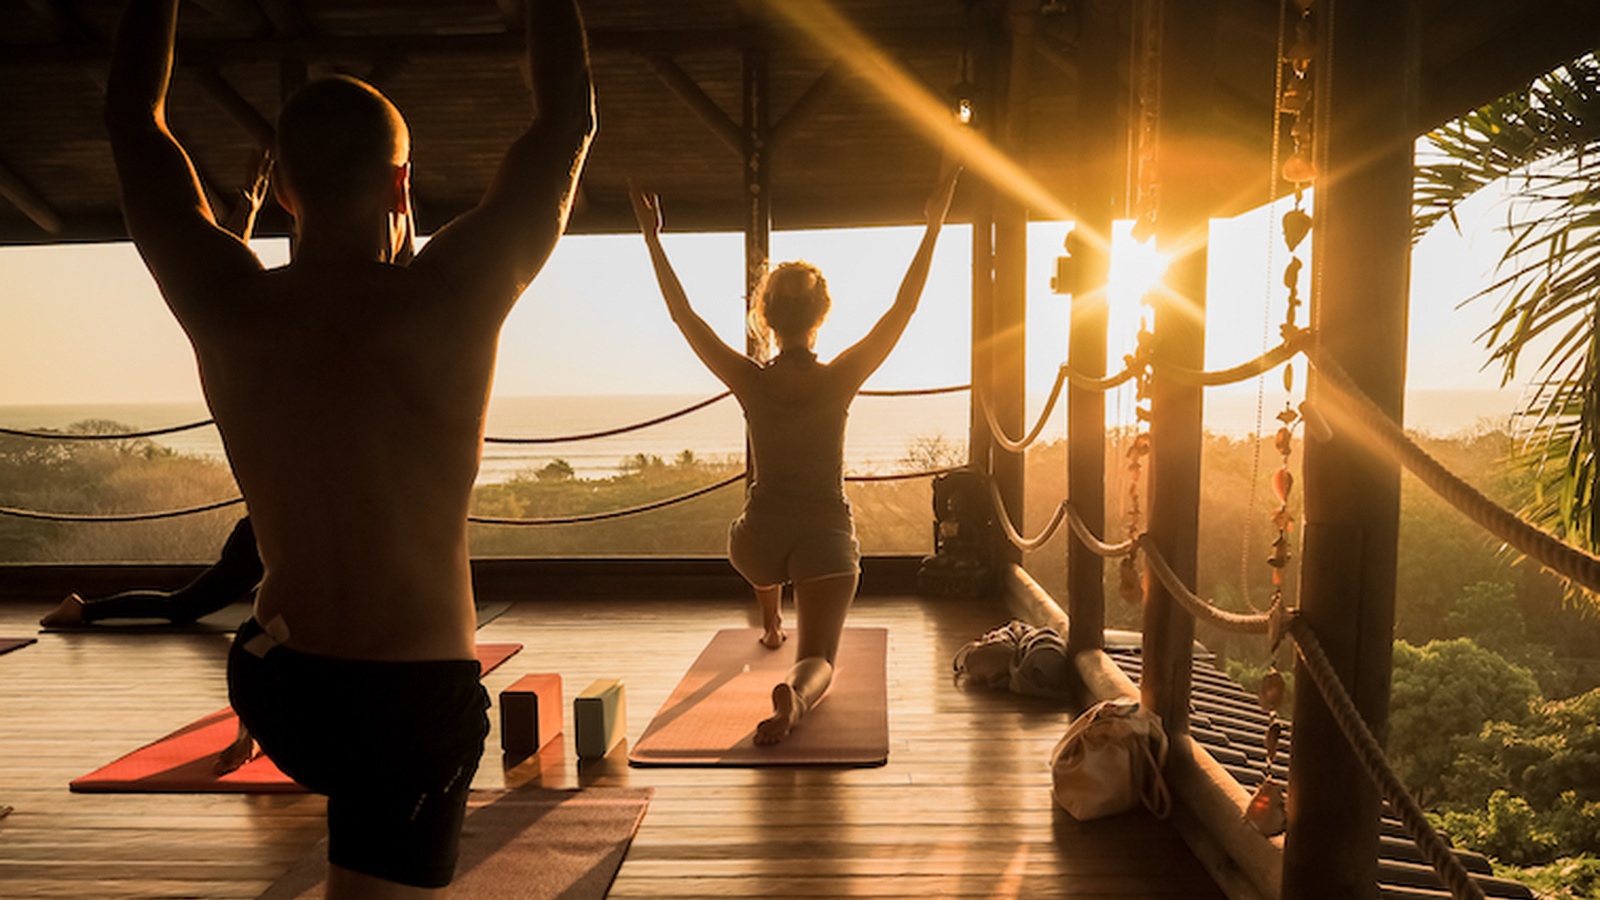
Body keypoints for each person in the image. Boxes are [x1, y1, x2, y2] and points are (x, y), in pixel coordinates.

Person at [104, 0, 594, 894]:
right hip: (408, 707)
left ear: (283, 188)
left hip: (277, 686)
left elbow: (134, 121)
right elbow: (567, 120)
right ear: (401, 185)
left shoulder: (225, 301)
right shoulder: (451, 294)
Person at [630, 166, 959, 745]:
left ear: (766, 318)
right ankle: (797, 695)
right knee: (823, 657)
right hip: (824, 538)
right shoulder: (839, 379)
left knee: (754, 535)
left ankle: (769, 619)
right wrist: (932, 225)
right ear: (821, 316)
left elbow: (684, 317)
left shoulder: (749, 380)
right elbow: (901, 311)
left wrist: (652, 237)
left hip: (758, 544)